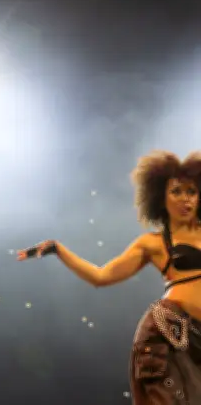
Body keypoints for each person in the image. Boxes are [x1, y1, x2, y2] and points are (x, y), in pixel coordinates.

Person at [18, 150, 201, 404]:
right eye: (176, 191)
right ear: (161, 198)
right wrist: (58, 250)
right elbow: (101, 276)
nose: (185, 199)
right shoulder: (152, 243)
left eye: (192, 191)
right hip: (169, 336)